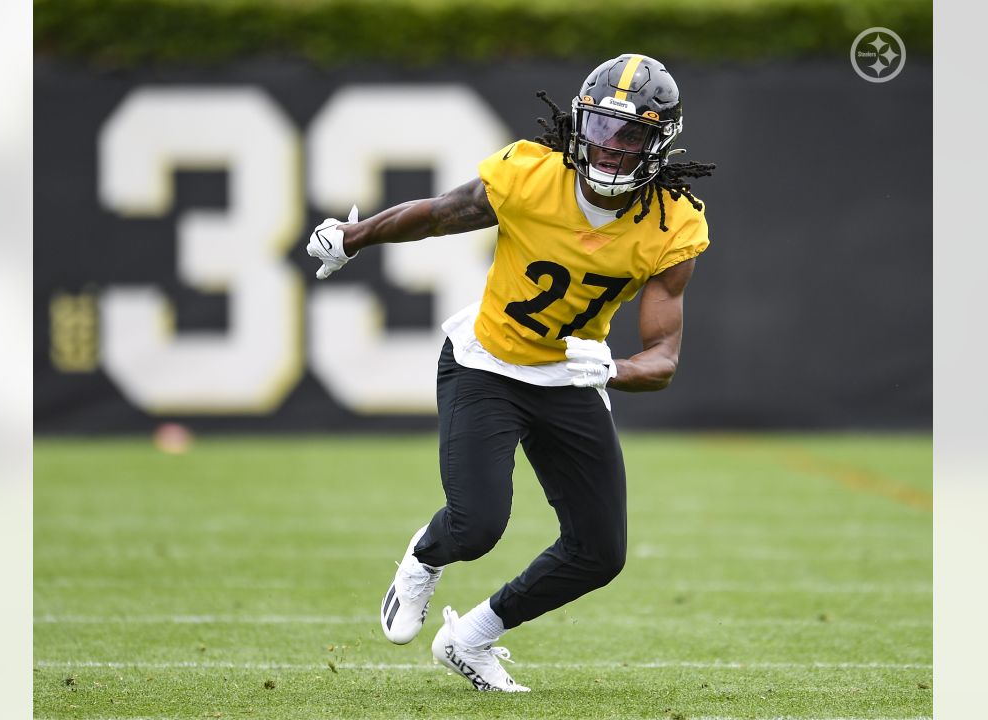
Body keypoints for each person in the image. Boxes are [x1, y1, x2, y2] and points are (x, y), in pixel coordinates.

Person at [306, 53, 715, 692]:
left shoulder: (673, 223)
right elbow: (440, 213)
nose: (610, 149)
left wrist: (608, 367)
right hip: (487, 363)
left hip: (570, 378)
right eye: (602, 130)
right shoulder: (532, 174)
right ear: (579, 126)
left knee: (600, 552)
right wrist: (354, 236)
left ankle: (470, 639)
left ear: (658, 142)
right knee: (476, 527)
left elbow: (663, 358)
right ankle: (422, 558)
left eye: (630, 135)